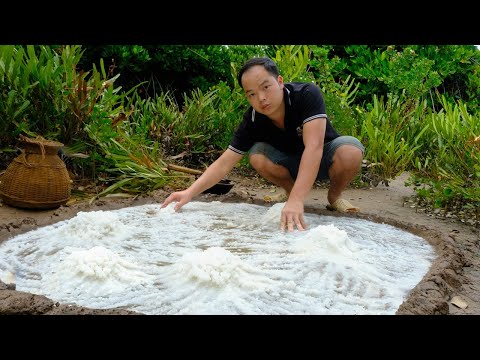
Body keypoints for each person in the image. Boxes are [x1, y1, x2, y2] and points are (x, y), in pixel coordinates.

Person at [161, 56, 365, 231]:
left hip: (322, 158)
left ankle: (334, 196)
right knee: (257, 155)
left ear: (280, 81)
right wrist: (189, 193)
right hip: (289, 164)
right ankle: (291, 190)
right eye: (251, 94)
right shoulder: (252, 119)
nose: (261, 98)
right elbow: (224, 163)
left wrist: (297, 201)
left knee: (350, 150)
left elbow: (314, 148)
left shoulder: (306, 94)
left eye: (266, 87)